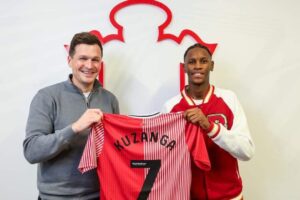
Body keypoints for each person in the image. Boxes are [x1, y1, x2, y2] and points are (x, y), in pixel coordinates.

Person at [23, 32, 119, 200]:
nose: (89, 65)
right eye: (83, 58)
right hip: (55, 197)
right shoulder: (47, 97)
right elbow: (31, 151)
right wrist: (75, 127)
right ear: (70, 61)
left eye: (95, 60)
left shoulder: (110, 100)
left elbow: (116, 149)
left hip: (100, 196)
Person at [161, 43, 255, 200]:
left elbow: (247, 152)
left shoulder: (229, 99)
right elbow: (164, 156)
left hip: (229, 195)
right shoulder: (170, 107)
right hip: (189, 196)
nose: (197, 66)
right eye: (192, 62)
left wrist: (211, 128)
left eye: (203, 61)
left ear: (211, 66)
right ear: (184, 67)